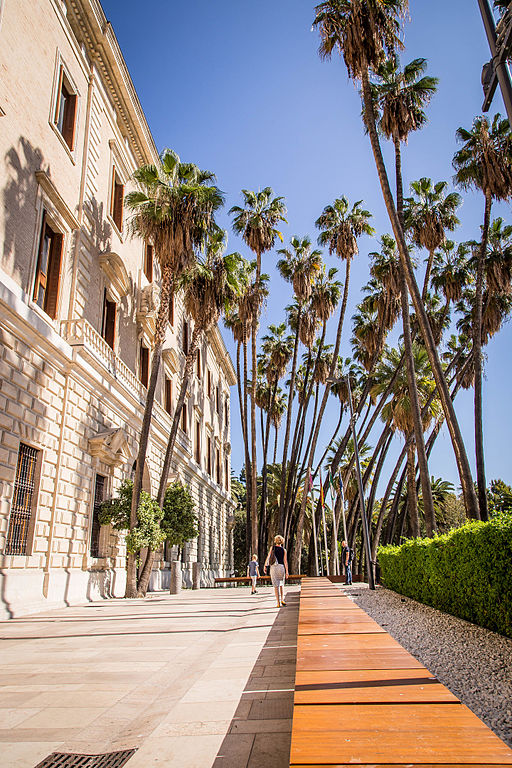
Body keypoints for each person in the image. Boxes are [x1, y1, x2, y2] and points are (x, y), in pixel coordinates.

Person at [264, 535, 289, 608]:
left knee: (276, 586)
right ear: (282, 541)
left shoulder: (272, 548)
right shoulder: (284, 550)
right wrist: (287, 571)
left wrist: (265, 566)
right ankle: (282, 599)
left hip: (274, 567)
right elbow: (285, 561)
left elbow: (268, 557)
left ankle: (278, 602)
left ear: (275, 541)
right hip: (281, 567)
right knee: (281, 584)